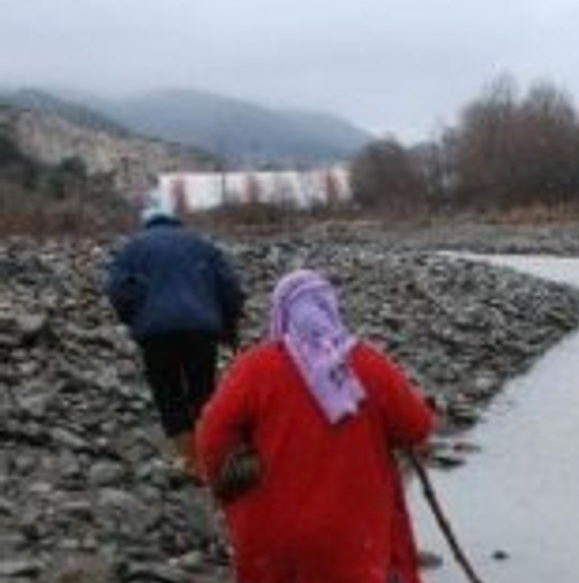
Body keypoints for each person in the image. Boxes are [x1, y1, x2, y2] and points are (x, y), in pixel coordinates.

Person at [196, 269, 436, 583]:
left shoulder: (254, 367)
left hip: (271, 530)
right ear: (330, 308)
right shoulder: (368, 363)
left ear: (280, 312)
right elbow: (416, 427)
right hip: (354, 532)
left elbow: (212, 436)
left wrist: (232, 484)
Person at [105, 199, 245, 476]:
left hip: (155, 333)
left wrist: (135, 317)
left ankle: (189, 460)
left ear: (147, 221)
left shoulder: (133, 247)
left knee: (167, 392)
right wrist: (229, 328)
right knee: (203, 391)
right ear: (174, 219)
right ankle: (210, 457)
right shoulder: (200, 244)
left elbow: (117, 290)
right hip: (202, 330)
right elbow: (229, 288)